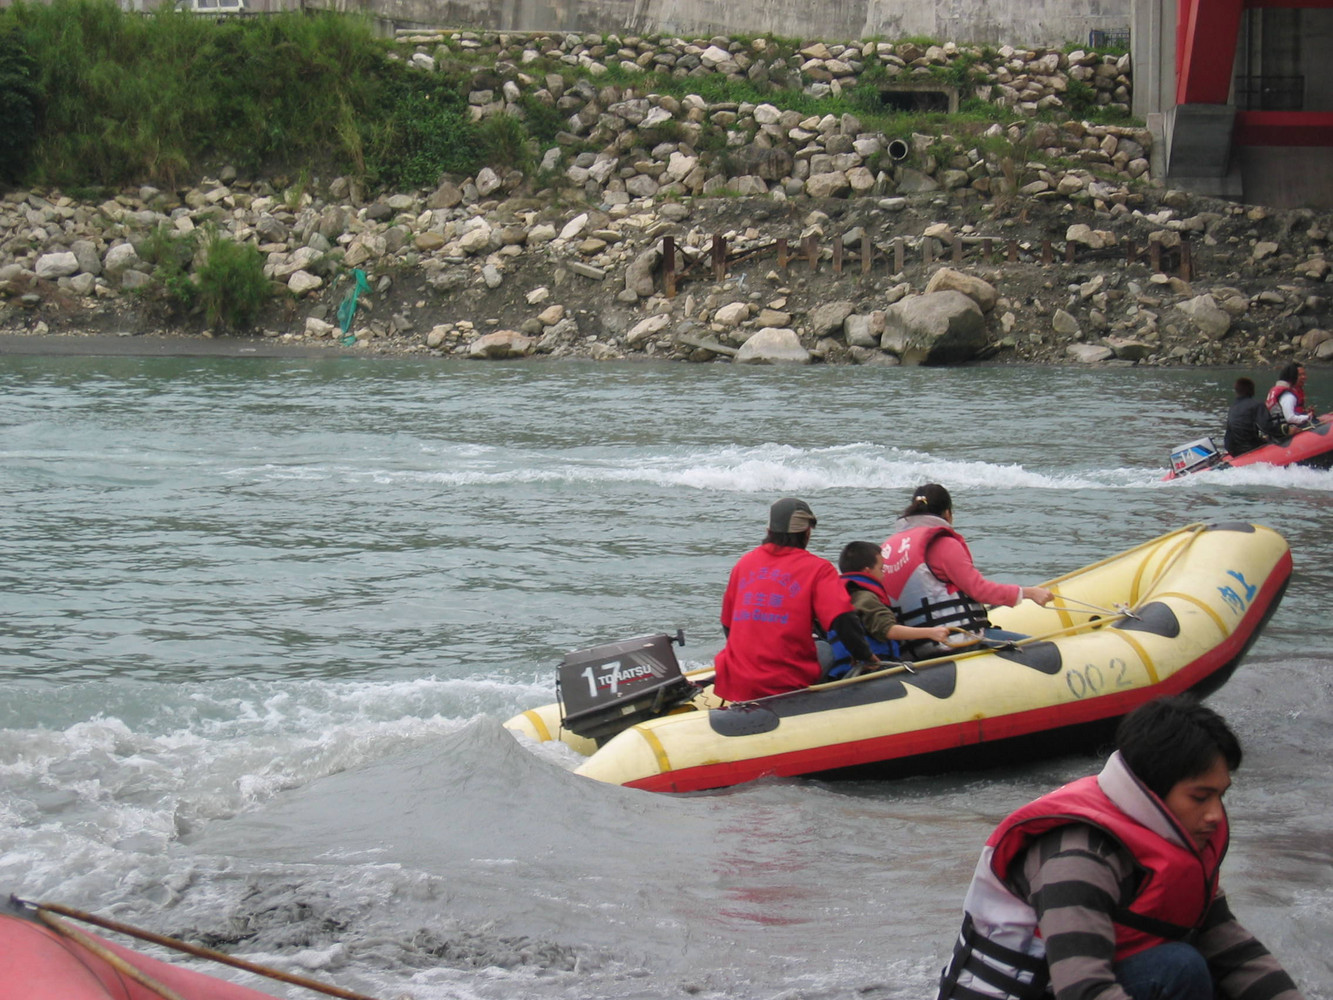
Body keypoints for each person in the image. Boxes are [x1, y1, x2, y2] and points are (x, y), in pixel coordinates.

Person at [936, 696, 1307, 1000]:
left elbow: (1234, 952)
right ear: (1151, 789)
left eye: (1220, 796)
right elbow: (1083, 989)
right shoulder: (1078, 856)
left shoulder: (1177, 843)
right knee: (1180, 967)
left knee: (1221, 976)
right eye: (1200, 797)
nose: (1215, 815)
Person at [713, 498, 877, 702]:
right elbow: (843, 619)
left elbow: (728, 624)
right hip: (784, 684)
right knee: (825, 649)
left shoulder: (743, 564)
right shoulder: (818, 569)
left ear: (769, 531)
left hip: (737, 680)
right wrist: (866, 657)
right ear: (807, 533)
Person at [880, 484, 1052, 656]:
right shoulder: (942, 543)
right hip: (954, 640)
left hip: (910, 650)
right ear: (947, 513)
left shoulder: (886, 548)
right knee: (1043, 650)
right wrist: (1029, 593)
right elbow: (980, 590)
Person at [824, 541, 951, 676]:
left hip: (842, 672)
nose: (883, 575)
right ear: (867, 571)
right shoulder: (865, 598)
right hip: (871, 670)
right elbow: (887, 630)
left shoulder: (838, 597)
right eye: (881, 569)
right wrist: (932, 632)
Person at [1264, 362, 1315, 437]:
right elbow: (1290, 418)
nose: (1304, 377)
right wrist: (1308, 417)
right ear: (1292, 377)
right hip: (1285, 432)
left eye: (1304, 374)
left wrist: (1305, 412)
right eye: (1300, 375)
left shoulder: (1285, 392)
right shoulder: (1288, 395)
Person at [1223, 376, 1269, 457]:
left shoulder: (1233, 407)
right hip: (1250, 448)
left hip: (1233, 450)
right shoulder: (1257, 405)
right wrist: (1285, 430)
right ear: (1252, 390)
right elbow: (1267, 427)